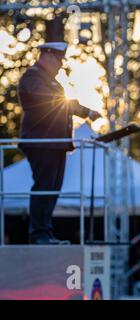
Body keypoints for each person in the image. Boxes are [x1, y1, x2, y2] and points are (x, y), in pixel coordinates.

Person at [18, 42, 101, 245]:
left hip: (55, 144)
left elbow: (56, 101)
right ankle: (38, 234)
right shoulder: (33, 77)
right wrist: (85, 111)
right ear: (46, 56)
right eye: (58, 59)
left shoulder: (48, 80)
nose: (60, 65)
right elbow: (49, 100)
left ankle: (45, 232)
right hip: (42, 143)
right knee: (44, 187)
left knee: (52, 188)